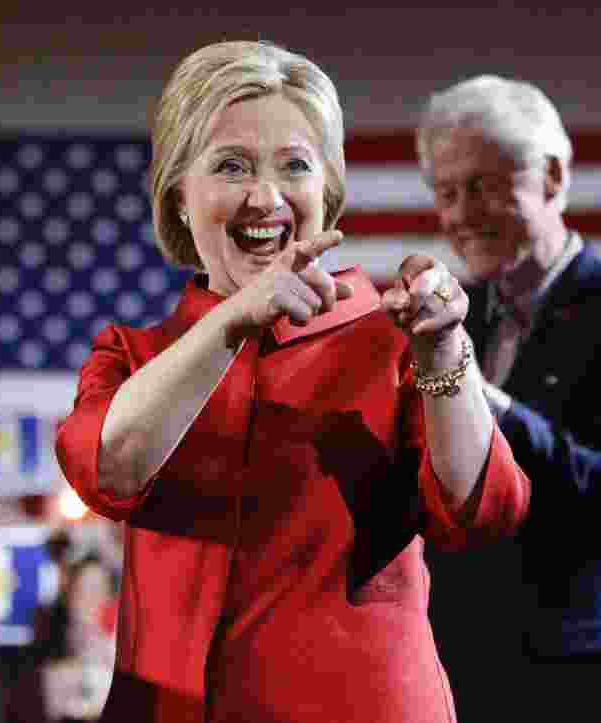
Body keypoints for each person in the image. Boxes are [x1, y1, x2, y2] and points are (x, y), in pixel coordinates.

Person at [55, 40, 531, 723]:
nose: (265, 196)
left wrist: (445, 348)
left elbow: (482, 508)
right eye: (231, 166)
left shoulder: (390, 338)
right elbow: (108, 467)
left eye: (295, 166)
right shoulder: (133, 356)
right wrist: (232, 323)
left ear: (326, 193)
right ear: (180, 199)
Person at [416, 75, 601, 723]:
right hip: (464, 672)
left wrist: (485, 403)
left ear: (551, 177)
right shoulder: (450, 321)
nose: (460, 214)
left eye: (482, 185)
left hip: (593, 683)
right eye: (447, 192)